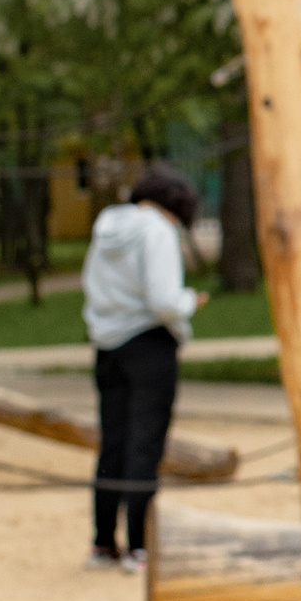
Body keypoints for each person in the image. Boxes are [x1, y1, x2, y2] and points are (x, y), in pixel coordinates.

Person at [82, 165, 198, 568]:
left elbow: (91, 286)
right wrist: (189, 303)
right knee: (144, 443)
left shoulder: (106, 227)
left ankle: (102, 542)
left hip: (108, 344)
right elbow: (164, 299)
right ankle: (139, 544)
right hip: (149, 344)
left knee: (113, 441)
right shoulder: (157, 231)